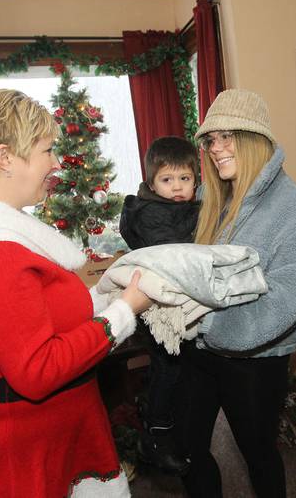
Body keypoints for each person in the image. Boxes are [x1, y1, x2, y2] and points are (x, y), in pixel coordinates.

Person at [0, 89, 151, 498]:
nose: (56, 162)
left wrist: (101, 295)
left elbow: (39, 312)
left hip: (50, 433)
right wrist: (122, 312)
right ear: (5, 157)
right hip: (17, 452)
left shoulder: (1, 238)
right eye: (47, 150)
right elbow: (37, 370)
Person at [182, 89, 296, 498]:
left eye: (228, 136)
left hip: (256, 361)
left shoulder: (295, 211)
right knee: (189, 446)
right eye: (211, 139)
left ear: (254, 139)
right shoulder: (213, 197)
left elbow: (284, 300)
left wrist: (208, 320)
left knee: (257, 453)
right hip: (201, 350)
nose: (216, 148)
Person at [118, 136, 200, 475]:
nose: (178, 188)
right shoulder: (151, 213)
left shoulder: (179, 208)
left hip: (172, 306)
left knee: (176, 371)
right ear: (152, 183)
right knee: (167, 367)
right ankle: (156, 434)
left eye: (186, 179)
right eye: (168, 180)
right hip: (157, 309)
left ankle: (167, 424)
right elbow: (173, 253)